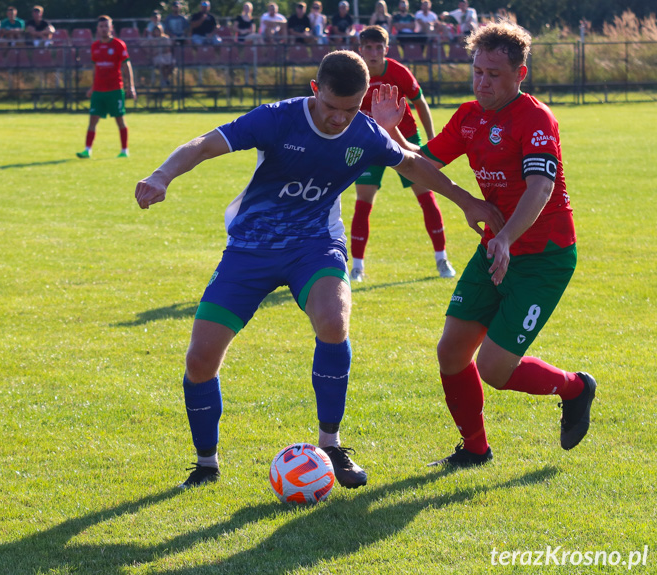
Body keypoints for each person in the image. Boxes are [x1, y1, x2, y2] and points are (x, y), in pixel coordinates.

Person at [134, 50, 502, 489]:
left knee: (333, 321)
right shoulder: (277, 119)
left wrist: (468, 201)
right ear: (315, 90)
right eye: (330, 107)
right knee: (200, 359)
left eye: (350, 109)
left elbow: (416, 165)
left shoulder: (365, 133)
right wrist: (161, 175)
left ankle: (331, 445)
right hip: (250, 249)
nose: (338, 120)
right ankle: (206, 464)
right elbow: (204, 143)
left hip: (315, 246)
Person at [371, 20, 597, 467]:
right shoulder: (469, 117)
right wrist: (391, 132)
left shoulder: (535, 119)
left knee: (495, 369)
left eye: (494, 74)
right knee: (451, 352)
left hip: (543, 257)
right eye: (477, 71)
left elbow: (540, 188)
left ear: (520, 75)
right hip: (497, 247)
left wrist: (508, 237)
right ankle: (475, 449)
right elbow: (420, 165)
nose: (482, 81)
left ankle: (575, 387)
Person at [350, 26, 454, 282]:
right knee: (363, 202)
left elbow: (420, 102)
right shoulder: (353, 75)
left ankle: (442, 259)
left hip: (405, 139)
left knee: (427, 197)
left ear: (386, 50)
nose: (373, 53)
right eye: (368, 48)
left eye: (378, 48)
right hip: (370, 142)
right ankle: (357, 267)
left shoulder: (397, 71)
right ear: (360, 50)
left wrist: (431, 142)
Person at [77, 16, 136, 160]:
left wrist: (131, 86)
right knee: (92, 120)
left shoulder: (118, 44)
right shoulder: (94, 46)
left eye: (106, 26)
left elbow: (126, 65)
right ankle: (87, 150)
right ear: (97, 29)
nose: (104, 29)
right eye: (101, 26)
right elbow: (95, 68)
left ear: (111, 28)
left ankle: (124, 150)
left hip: (115, 89)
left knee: (120, 120)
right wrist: (92, 87)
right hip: (98, 90)